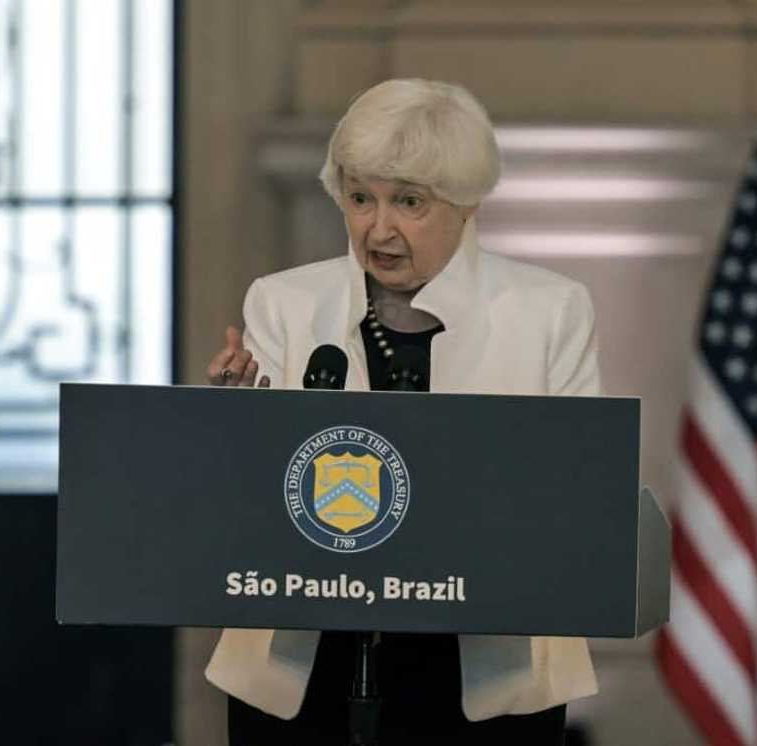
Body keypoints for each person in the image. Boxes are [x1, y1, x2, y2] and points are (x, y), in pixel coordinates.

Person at [203, 78, 601, 744]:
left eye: (408, 202)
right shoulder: (284, 302)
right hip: (306, 663)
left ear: (465, 204)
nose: (377, 228)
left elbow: (580, 489)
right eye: (360, 198)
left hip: (485, 665)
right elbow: (253, 500)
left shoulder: (550, 311)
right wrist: (234, 422)